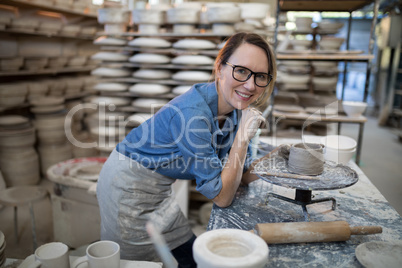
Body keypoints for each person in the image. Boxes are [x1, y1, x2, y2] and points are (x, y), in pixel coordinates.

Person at [96, 32, 277, 267]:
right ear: (220, 68)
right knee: (139, 264)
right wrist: (243, 137)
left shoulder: (235, 110)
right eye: (241, 71)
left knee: (191, 258)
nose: (251, 85)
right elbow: (221, 197)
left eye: (260, 76)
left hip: (158, 190)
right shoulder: (193, 115)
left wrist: (278, 159)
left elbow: (240, 176)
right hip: (126, 186)